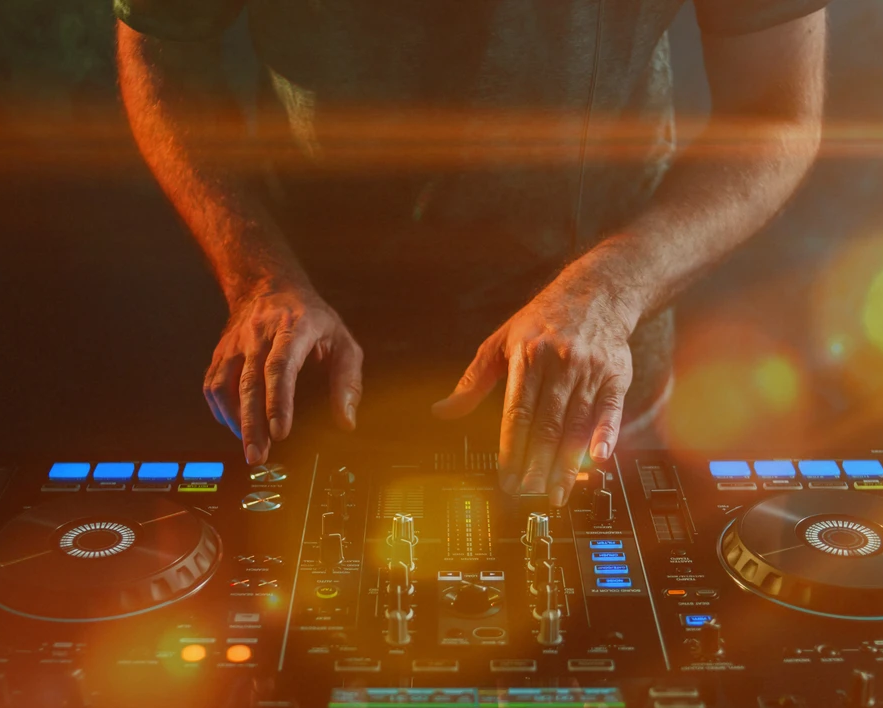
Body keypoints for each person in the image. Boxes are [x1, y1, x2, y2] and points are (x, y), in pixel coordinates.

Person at [116, 0, 828, 506]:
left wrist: (610, 293)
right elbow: (162, 51)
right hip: (311, 371)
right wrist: (258, 277)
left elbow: (775, 111)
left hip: (587, 378)